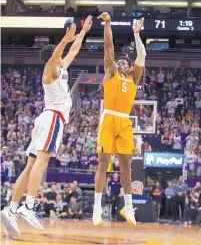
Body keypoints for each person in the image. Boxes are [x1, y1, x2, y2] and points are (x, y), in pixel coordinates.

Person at [1, 16, 93, 238]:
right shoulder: (50, 70)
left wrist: (82, 33)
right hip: (52, 119)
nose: (63, 56)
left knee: (30, 165)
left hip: (46, 120)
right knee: (40, 164)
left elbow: (73, 52)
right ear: (54, 56)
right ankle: (28, 206)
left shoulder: (61, 69)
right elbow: (57, 55)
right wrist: (65, 39)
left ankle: (12, 209)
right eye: (59, 54)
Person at [92, 12, 146, 226]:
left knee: (126, 168)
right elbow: (108, 47)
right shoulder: (111, 72)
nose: (121, 63)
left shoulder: (134, 76)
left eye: (125, 63)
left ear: (129, 67)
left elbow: (142, 56)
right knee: (103, 164)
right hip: (109, 118)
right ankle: (97, 207)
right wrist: (107, 24)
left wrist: (137, 34)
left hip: (125, 122)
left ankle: (128, 206)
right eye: (119, 62)